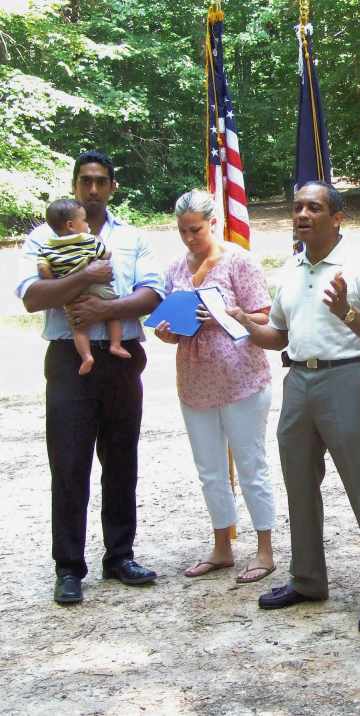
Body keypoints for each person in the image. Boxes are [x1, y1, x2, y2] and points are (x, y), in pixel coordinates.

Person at [228, 181, 360, 633]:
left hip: (347, 377)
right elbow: (279, 336)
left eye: (314, 208)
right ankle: (307, 579)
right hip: (298, 381)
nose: (302, 215)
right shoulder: (290, 267)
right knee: (300, 485)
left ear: (337, 217)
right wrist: (248, 325)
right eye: (297, 207)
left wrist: (347, 312)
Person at [15, 150, 164, 604]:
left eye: (101, 181)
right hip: (68, 361)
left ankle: (119, 555)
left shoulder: (133, 237)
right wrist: (86, 278)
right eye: (86, 181)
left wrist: (105, 308)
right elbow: (32, 295)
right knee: (70, 463)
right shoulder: (43, 236)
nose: (93, 188)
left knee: (121, 460)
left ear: (113, 187)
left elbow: (152, 292)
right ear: (75, 185)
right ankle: (68, 567)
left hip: (120, 359)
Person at [154, 189, 276, 584]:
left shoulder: (239, 262)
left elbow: (263, 315)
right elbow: (171, 324)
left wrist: (226, 315)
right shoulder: (175, 268)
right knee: (209, 469)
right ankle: (222, 544)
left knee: (250, 463)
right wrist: (167, 331)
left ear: (213, 223)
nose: (189, 238)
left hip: (241, 378)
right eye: (183, 231)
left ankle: (264, 548)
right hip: (195, 380)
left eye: (196, 230)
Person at [39, 198, 130, 375]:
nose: (87, 224)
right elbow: (106, 255)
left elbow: (43, 269)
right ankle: (116, 344)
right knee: (112, 314)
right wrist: (100, 245)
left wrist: (53, 280)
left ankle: (86, 356)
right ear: (71, 225)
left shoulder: (47, 246)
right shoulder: (88, 239)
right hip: (96, 286)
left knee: (78, 328)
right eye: (84, 220)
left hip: (71, 292)